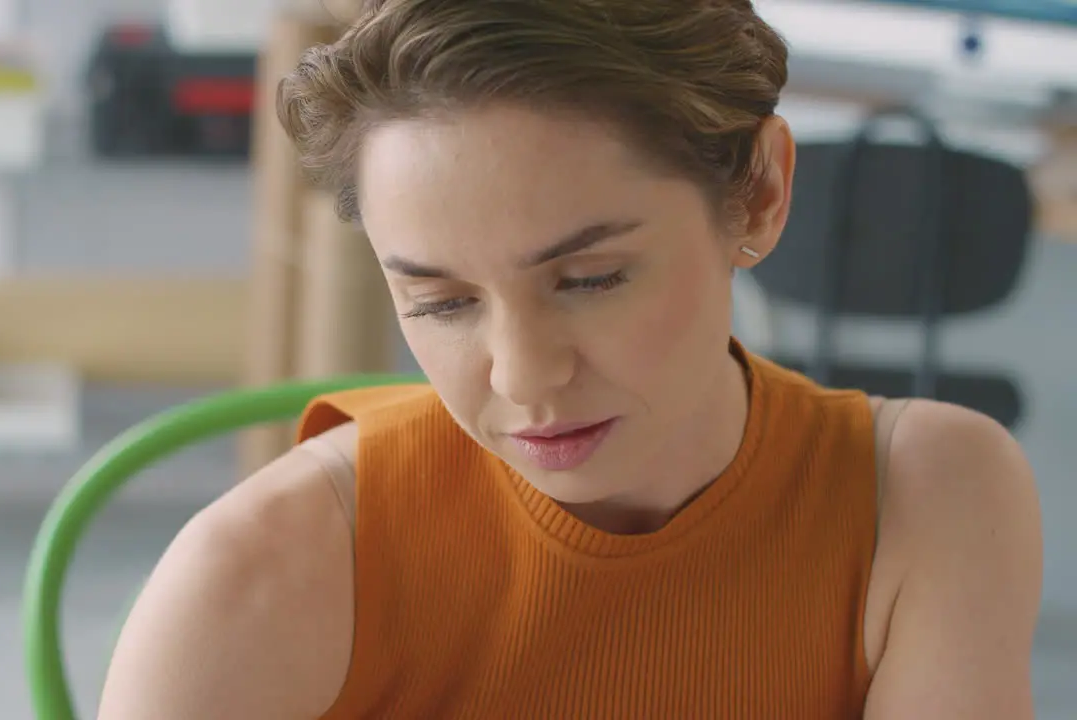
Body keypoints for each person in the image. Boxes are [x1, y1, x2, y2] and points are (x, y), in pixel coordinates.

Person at [97, 0, 1043, 717]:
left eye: (589, 278)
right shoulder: (261, 572)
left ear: (758, 192)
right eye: (442, 302)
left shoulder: (928, 495)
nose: (523, 377)